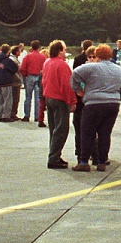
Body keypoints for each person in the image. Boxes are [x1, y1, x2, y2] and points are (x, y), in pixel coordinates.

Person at [70, 44, 121, 171]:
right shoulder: (119, 70)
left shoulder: (91, 67)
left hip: (94, 103)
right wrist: (117, 97)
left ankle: (84, 162)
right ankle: (102, 161)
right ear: (110, 55)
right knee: (105, 133)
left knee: (87, 132)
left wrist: (79, 91)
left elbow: (75, 73)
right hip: (113, 104)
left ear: (97, 56)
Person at [41, 40, 76, 169]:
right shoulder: (62, 65)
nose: (65, 52)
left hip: (49, 97)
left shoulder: (47, 62)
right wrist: (72, 101)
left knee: (53, 129)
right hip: (59, 99)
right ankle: (54, 158)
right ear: (60, 50)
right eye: (65, 49)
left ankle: (54, 154)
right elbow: (66, 85)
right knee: (61, 130)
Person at [20, 40, 46, 122]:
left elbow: (22, 68)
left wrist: (25, 75)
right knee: (38, 97)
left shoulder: (27, 56)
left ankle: (27, 115)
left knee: (28, 96)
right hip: (39, 76)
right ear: (39, 47)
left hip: (29, 76)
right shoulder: (43, 57)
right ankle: (37, 116)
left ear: (31, 47)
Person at [0, 45, 17, 122]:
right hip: (6, 81)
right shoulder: (8, 61)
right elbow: (15, 69)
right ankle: (6, 116)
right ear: (8, 51)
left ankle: (0, 115)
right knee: (8, 99)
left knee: (1, 99)